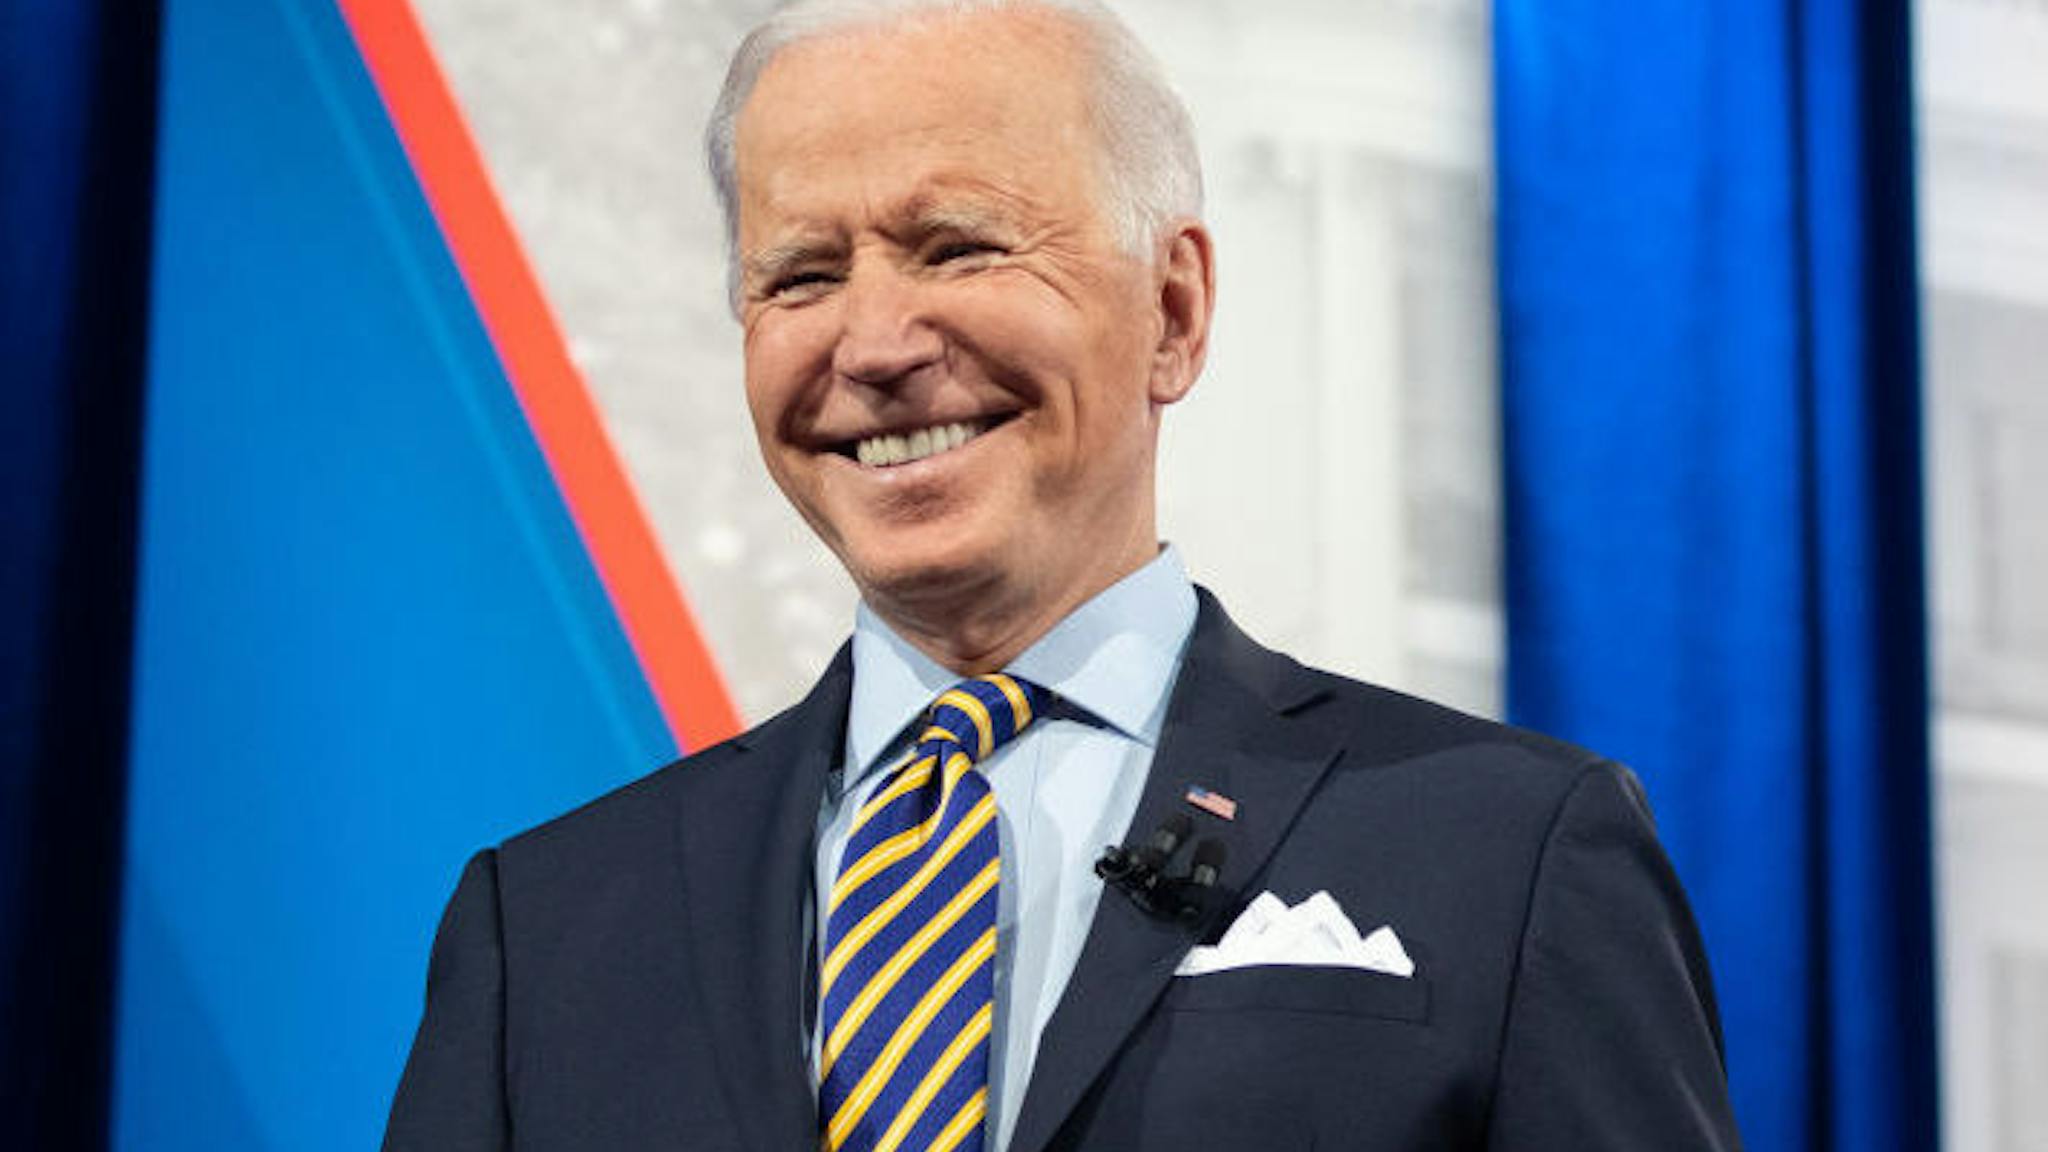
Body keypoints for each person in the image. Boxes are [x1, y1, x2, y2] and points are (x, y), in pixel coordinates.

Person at [384, 1, 1743, 1149]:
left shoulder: (1510, 855)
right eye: (800, 275)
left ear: (1173, 310)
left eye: (956, 246)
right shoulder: (544, 928)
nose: (872, 342)